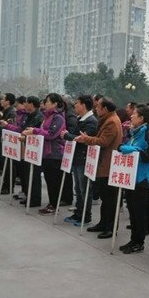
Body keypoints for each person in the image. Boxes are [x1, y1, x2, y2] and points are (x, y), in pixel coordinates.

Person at [76, 97, 123, 239]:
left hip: (108, 165)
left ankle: (111, 228)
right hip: (104, 164)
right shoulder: (107, 119)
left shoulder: (112, 122)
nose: (96, 109)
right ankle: (103, 223)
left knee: (110, 199)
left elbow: (103, 141)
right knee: (105, 197)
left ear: (105, 109)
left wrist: (86, 139)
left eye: (98, 107)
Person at [118, 104, 149, 253]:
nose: (131, 116)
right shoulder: (134, 133)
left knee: (139, 212)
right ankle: (133, 240)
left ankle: (139, 242)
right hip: (131, 177)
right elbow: (123, 147)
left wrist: (133, 150)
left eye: (134, 114)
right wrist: (125, 147)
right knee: (132, 211)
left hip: (142, 179)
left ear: (141, 118)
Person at [22, 93, 67, 215]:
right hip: (46, 153)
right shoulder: (47, 116)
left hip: (55, 153)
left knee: (54, 181)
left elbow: (52, 134)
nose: (45, 104)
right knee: (49, 180)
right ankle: (51, 203)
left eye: (47, 101)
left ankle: (54, 205)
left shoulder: (58, 118)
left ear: (55, 104)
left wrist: (35, 130)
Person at [61, 95, 98, 225]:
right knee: (78, 188)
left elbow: (83, 139)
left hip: (84, 158)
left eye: (77, 103)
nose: (75, 105)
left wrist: (67, 135)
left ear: (83, 105)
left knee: (84, 188)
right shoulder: (80, 118)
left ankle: (85, 216)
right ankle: (78, 213)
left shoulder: (91, 121)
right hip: (77, 157)